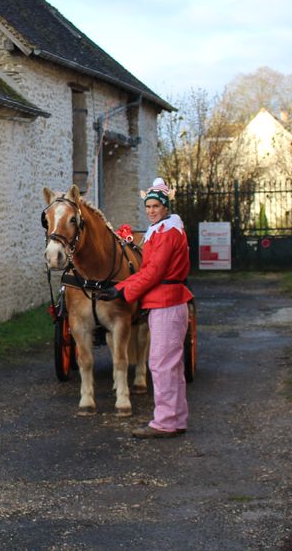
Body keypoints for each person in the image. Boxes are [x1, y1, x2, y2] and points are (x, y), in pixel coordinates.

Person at [103, 178, 193, 439]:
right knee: (171, 365)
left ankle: (165, 422)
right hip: (168, 300)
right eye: (148, 206)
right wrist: (120, 287)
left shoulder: (167, 234)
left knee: (162, 364)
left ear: (166, 207)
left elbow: (153, 272)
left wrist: (124, 291)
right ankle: (176, 418)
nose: (151, 210)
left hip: (166, 301)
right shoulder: (164, 230)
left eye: (156, 206)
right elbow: (147, 271)